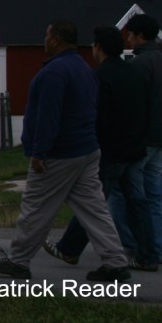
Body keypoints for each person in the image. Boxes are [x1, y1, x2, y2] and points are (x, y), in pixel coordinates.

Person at [0, 21, 129, 281]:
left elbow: (48, 116)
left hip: (59, 153)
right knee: (94, 209)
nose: (44, 40)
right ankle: (115, 261)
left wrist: (40, 152)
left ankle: (18, 261)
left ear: (55, 40)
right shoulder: (85, 69)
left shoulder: (54, 72)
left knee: (36, 207)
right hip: (86, 149)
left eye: (47, 35)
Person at [44, 26, 155, 270]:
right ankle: (148, 256)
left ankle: (69, 249)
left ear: (99, 48)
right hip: (135, 149)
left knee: (92, 204)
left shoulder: (100, 76)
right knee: (138, 202)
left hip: (111, 151)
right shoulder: (134, 72)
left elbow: (98, 117)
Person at [115, 13, 162, 270]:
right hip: (160, 138)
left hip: (143, 139)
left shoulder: (138, 65)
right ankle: (156, 245)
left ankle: (133, 245)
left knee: (127, 194)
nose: (129, 40)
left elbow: (134, 106)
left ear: (140, 35)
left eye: (131, 35)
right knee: (155, 194)